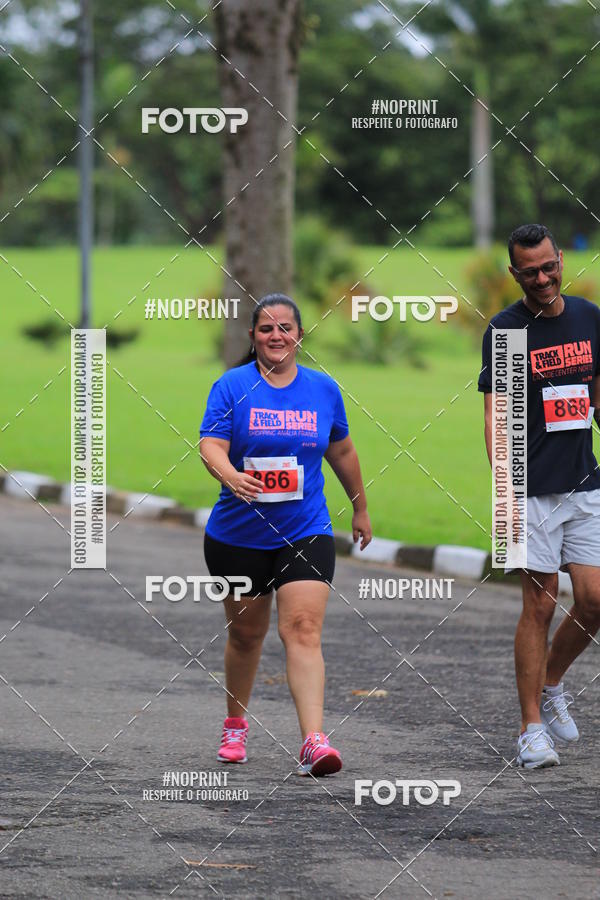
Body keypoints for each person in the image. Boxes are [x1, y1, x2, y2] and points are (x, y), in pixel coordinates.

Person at [200, 293, 372, 776]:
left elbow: (342, 451)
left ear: (300, 334)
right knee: (246, 636)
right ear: (253, 337)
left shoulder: (323, 389)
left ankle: (313, 742)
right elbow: (210, 444)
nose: (277, 336)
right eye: (266, 328)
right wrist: (230, 476)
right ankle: (236, 722)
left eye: (286, 328)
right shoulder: (232, 386)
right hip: (238, 536)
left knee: (303, 630)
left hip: (306, 530)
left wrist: (360, 508)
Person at [479, 223, 600, 769]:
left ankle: (550, 683)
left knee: (596, 600)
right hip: (526, 490)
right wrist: (505, 485)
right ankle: (530, 730)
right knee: (540, 603)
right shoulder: (505, 330)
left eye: (549, 266)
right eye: (530, 272)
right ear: (515, 274)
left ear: (558, 260)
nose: (544, 278)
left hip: (584, 481)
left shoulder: (589, 318)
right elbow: (495, 416)